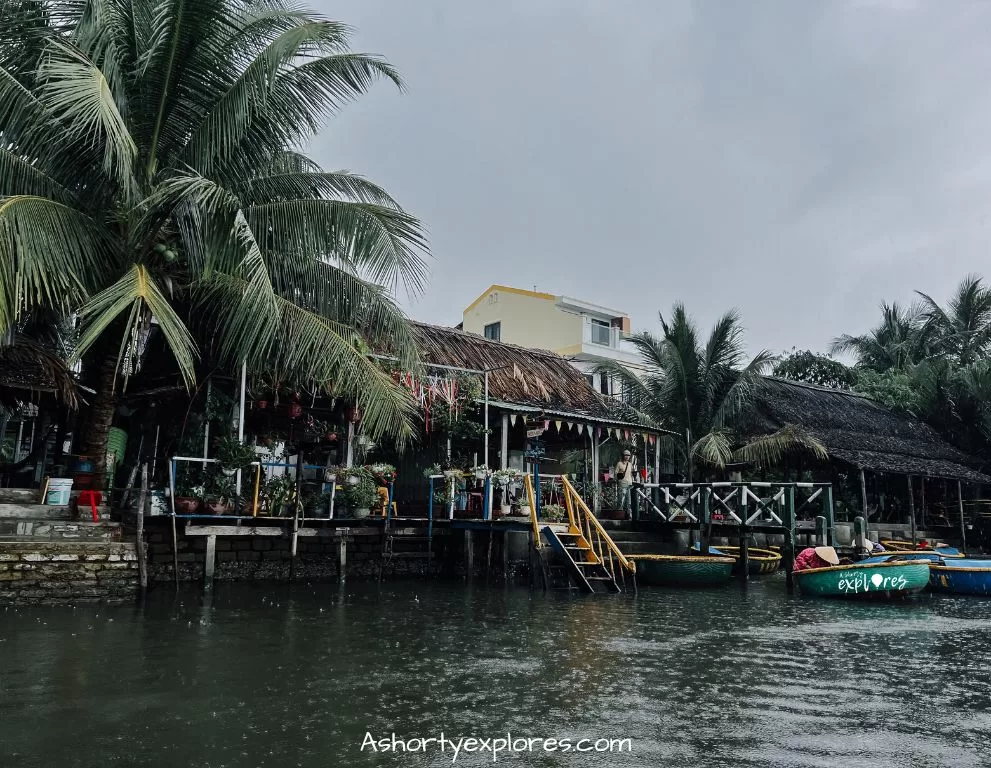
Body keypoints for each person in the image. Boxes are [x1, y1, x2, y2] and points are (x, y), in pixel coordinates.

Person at [614, 449, 636, 519]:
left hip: (629, 483)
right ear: (623, 456)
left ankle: (627, 515)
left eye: (628, 455)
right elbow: (615, 473)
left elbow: (631, 474)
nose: (627, 456)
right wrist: (617, 479)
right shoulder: (619, 463)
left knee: (628, 500)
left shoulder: (630, 464)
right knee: (621, 498)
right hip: (622, 483)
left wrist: (633, 480)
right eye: (625, 455)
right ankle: (619, 514)